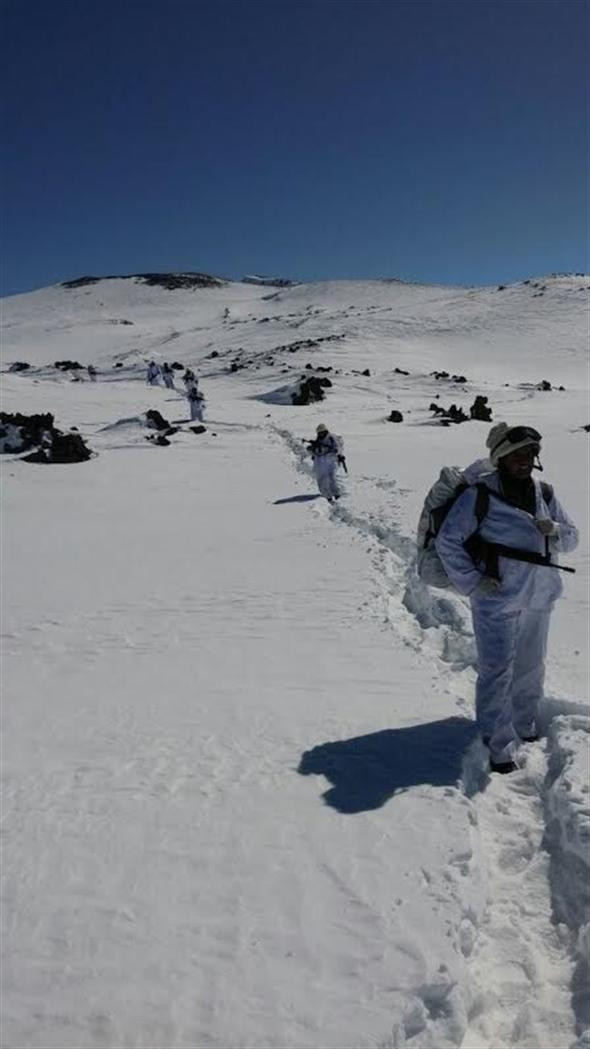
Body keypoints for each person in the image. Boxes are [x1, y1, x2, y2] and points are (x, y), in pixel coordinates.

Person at [435, 422, 578, 773]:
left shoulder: (544, 493)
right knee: (497, 669)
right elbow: (448, 541)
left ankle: (525, 727)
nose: (525, 460)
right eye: (517, 454)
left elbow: (572, 539)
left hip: (540, 594)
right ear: (500, 457)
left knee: (531, 665)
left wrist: (555, 530)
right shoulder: (479, 496)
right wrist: (473, 582)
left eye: (530, 453)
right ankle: (497, 744)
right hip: (496, 597)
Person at [307, 423, 345, 502]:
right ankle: (327, 496)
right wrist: (312, 449)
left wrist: (336, 452)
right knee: (321, 480)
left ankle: (337, 495)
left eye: (321, 432)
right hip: (320, 463)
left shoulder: (332, 438)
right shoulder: (318, 440)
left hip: (331, 461)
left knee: (332, 479)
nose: (320, 434)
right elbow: (315, 452)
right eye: (319, 433)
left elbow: (338, 448)